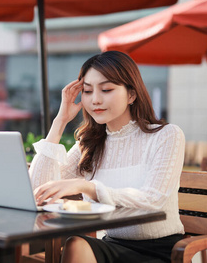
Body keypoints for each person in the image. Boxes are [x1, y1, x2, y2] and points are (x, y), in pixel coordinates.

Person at [29, 51, 185, 263]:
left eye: (106, 89)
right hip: (112, 245)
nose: (95, 100)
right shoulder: (90, 142)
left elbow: (154, 199)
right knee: (75, 243)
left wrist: (88, 187)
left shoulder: (166, 135)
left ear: (132, 94)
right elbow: (37, 189)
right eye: (87, 91)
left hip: (161, 251)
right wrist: (60, 121)